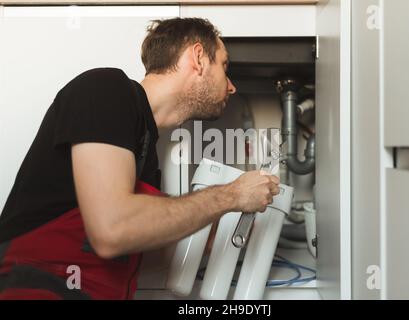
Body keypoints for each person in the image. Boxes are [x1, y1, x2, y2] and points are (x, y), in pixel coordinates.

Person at [0, 17, 280, 300]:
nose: (231, 86)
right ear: (198, 58)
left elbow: (131, 252)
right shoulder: (106, 89)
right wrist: (232, 195)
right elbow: (112, 232)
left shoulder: (146, 150)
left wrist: (205, 238)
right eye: (224, 65)